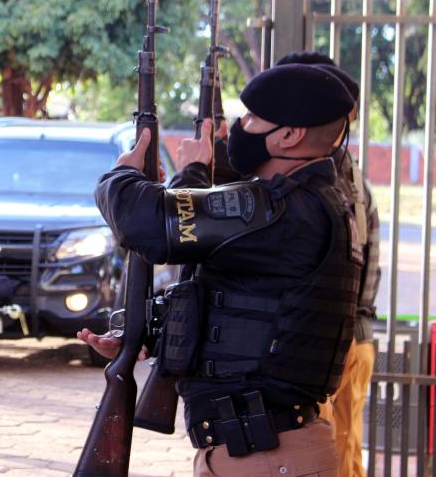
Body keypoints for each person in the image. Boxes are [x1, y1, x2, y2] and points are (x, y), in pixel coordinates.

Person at [79, 63, 363, 476]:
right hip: (260, 450)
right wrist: (148, 335)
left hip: (266, 455)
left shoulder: (285, 210)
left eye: (251, 119)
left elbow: (149, 224)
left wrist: (125, 174)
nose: (240, 129)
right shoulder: (309, 204)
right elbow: (245, 310)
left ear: (289, 135)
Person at [278, 51, 380, 477]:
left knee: (331, 459)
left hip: (329, 344)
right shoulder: (345, 173)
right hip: (348, 340)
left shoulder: (323, 178)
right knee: (342, 456)